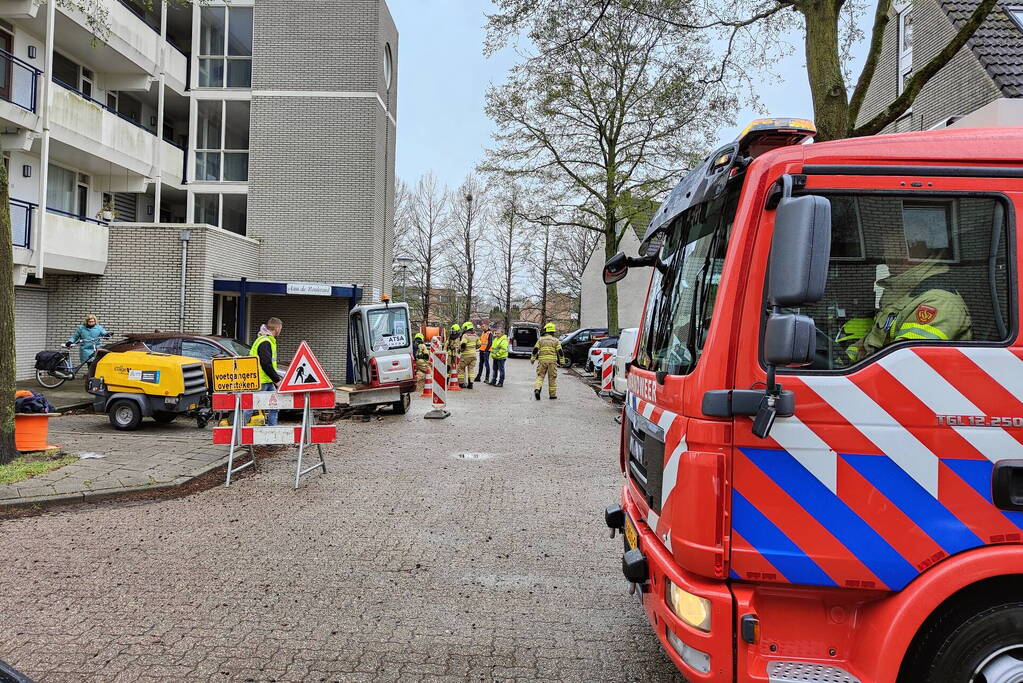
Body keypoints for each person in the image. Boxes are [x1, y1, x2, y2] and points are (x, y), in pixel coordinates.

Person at [844, 259, 972, 363]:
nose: (884, 256)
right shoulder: (904, 296)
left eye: (888, 245)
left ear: (909, 244)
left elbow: (906, 363)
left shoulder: (937, 302)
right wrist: (840, 363)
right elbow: (868, 345)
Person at [243, 317, 283, 426]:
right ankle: (238, 432)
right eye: (280, 328)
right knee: (251, 406)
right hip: (261, 381)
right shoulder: (265, 342)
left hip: (266, 380)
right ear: (277, 328)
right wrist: (277, 380)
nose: (280, 331)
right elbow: (266, 364)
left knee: (274, 406)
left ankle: (272, 432)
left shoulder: (265, 340)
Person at [531, 322, 565, 400]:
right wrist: (562, 362)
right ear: (552, 331)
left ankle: (537, 389)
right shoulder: (556, 340)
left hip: (542, 361)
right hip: (552, 362)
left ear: (546, 330)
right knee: (552, 378)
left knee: (540, 376)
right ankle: (552, 395)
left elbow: (535, 350)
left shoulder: (540, 340)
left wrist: (533, 359)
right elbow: (560, 352)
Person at [459, 321, 480, 388]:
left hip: (465, 355)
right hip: (473, 355)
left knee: (461, 368)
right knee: (471, 369)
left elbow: (463, 344)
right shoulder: (476, 335)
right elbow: (479, 344)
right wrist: (474, 348)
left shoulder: (465, 335)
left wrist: (460, 350)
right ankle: (471, 384)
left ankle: (461, 383)